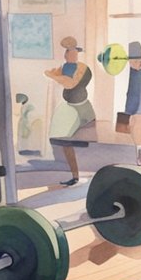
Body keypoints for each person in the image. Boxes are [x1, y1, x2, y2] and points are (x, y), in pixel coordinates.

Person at [46, 36, 97, 186]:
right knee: (65, 141)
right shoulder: (64, 67)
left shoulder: (83, 69)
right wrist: (56, 75)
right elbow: (52, 73)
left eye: (73, 52)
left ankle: (90, 174)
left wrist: (57, 77)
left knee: (87, 141)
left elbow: (70, 84)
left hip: (82, 108)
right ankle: (75, 176)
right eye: (68, 52)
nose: (70, 55)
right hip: (69, 107)